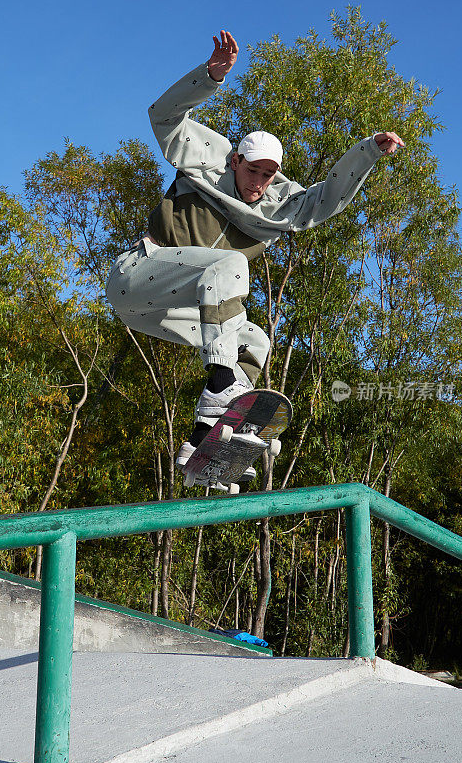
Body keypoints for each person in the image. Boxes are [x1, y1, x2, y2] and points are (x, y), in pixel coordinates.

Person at [105, 31, 404, 477]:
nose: (258, 182)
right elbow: (163, 117)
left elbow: (329, 198)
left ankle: (203, 437)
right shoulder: (206, 160)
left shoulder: (279, 204)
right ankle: (220, 387)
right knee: (231, 265)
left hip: (168, 311)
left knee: (255, 340)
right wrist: (209, 76)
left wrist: (366, 153)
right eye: (252, 170)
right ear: (234, 162)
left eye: (268, 175)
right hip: (137, 276)